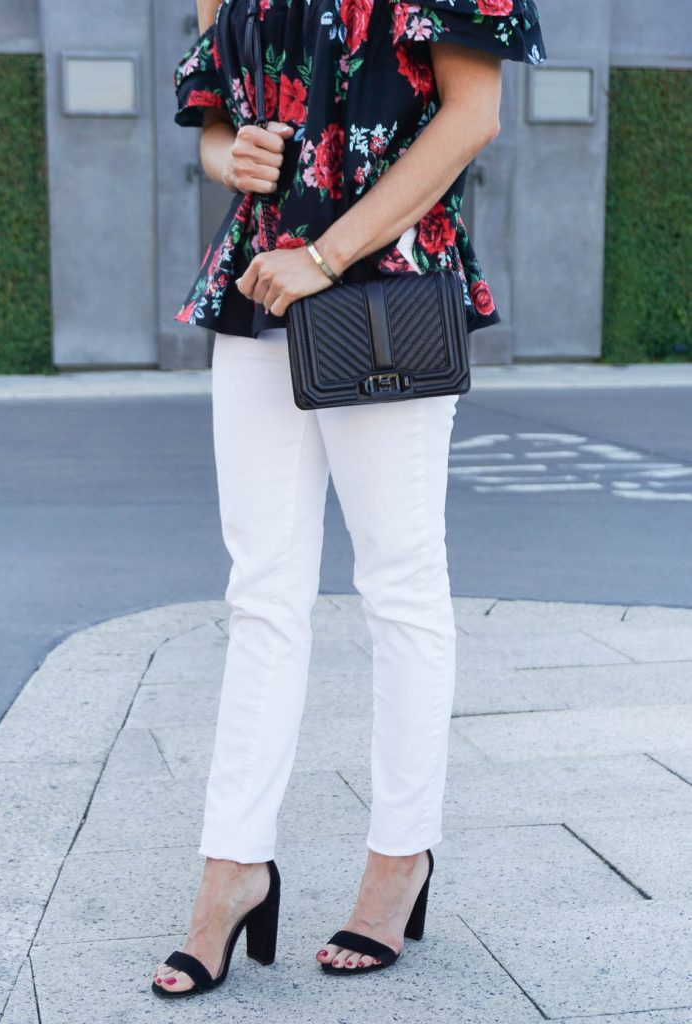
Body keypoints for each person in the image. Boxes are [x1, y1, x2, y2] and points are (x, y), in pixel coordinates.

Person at [152, 0, 548, 998]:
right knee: (262, 591)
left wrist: (325, 256)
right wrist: (228, 155)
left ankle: (396, 857)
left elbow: (471, 116)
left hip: (381, 285)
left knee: (399, 583)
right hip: (259, 281)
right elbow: (214, 114)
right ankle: (231, 869)